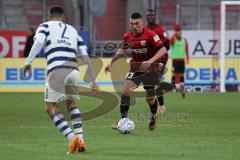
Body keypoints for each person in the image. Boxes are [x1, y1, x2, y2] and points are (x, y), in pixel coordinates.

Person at [22, 6, 99, 154]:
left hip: (57, 70)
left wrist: (28, 62)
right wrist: (93, 79)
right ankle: (81, 138)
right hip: (73, 71)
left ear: (48, 17)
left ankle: (72, 139)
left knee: (50, 108)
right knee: (71, 104)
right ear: (64, 18)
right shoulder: (73, 30)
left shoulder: (44, 26)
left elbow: (38, 43)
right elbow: (85, 55)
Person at [105, 12, 167, 131]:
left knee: (150, 99)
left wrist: (150, 60)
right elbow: (121, 51)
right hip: (136, 67)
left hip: (151, 68)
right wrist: (111, 62)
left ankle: (154, 116)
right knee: (126, 90)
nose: (134, 26)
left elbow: (163, 49)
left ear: (142, 23)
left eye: (137, 23)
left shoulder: (151, 35)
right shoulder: (128, 36)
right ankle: (122, 120)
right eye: (132, 24)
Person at [145, 9, 169, 113]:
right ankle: (157, 103)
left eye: (152, 15)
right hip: (150, 60)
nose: (151, 17)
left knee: (156, 81)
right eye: (149, 15)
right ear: (146, 17)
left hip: (161, 59)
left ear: (155, 17)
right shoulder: (144, 29)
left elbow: (167, 46)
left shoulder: (160, 30)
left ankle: (162, 106)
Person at [170, 24, 189, 98]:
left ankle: (181, 89)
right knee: (175, 74)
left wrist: (187, 58)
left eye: (179, 31)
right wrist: (174, 35)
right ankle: (173, 88)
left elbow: (187, 49)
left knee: (181, 74)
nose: (178, 32)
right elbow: (169, 43)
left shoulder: (184, 40)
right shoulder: (173, 39)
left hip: (182, 60)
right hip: (175, 60)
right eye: (177, 31)